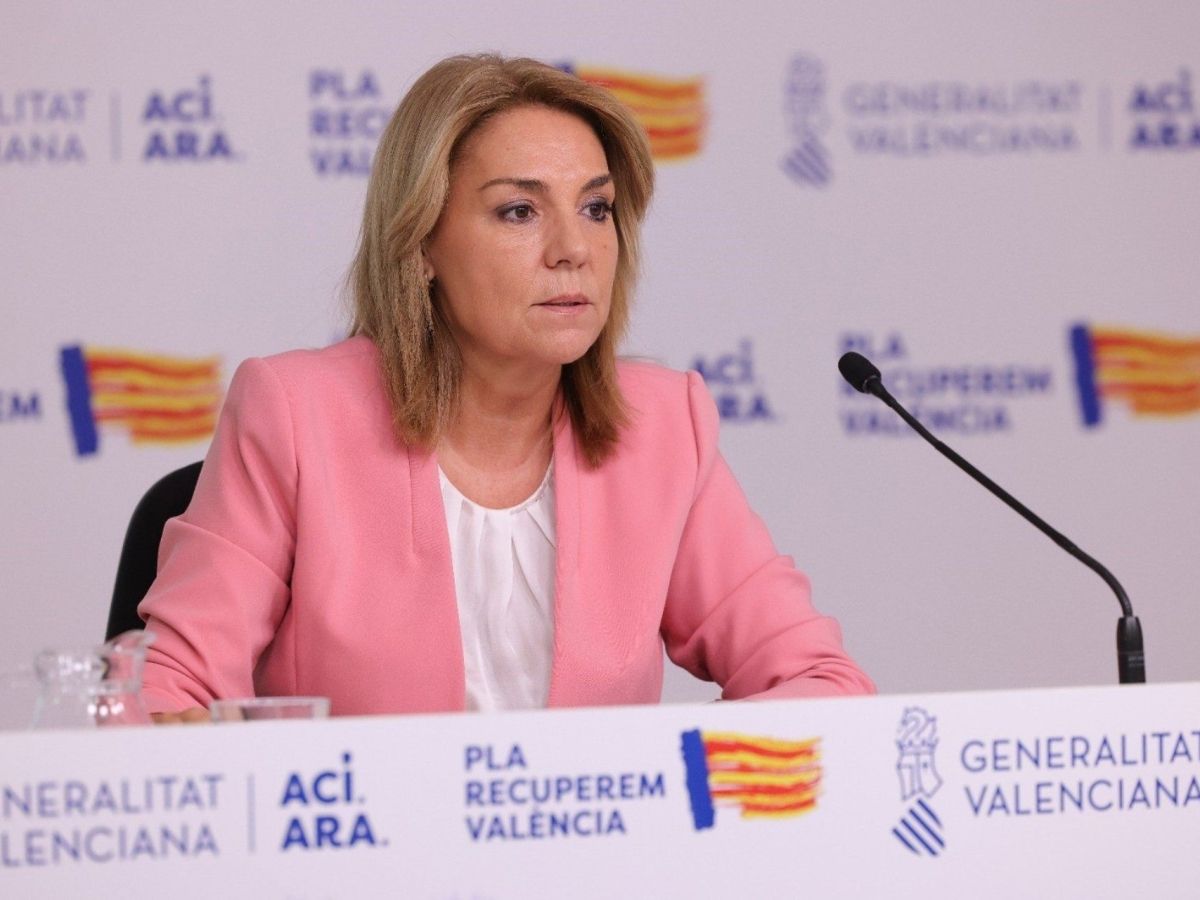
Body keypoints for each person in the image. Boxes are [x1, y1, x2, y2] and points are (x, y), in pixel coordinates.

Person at [140, 54, 874, 722]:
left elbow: (822, 685)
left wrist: (661, 782)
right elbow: (163, 696)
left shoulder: (662, 427)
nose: (573, 249)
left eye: (595, 208)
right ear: (421, 242)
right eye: (519, 211)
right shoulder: (297, 415)